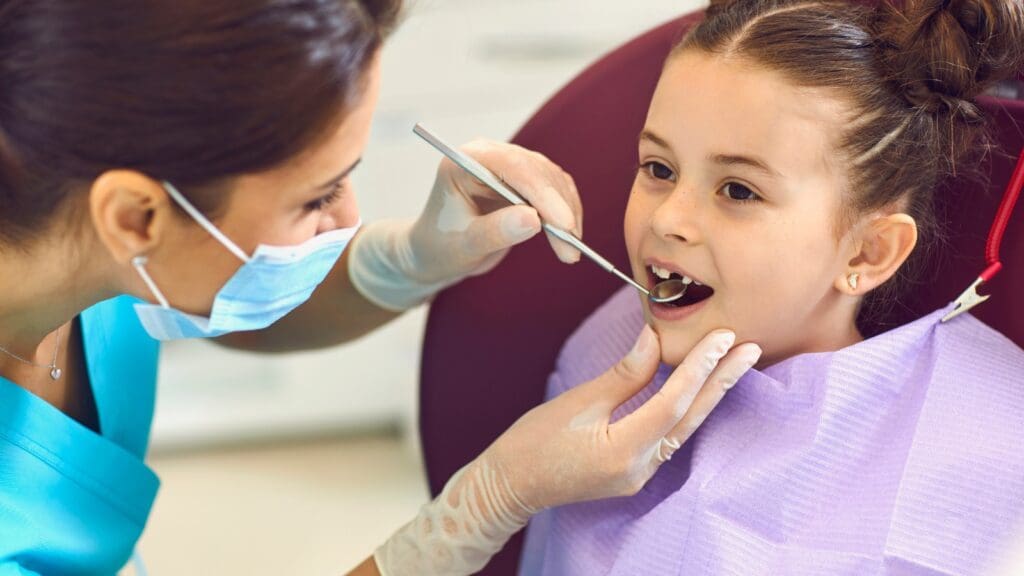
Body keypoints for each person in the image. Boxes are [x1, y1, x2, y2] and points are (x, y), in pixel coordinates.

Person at [0, 1, 764, 574]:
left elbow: (201, 304)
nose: (351, 219)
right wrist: (483, 507)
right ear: (137, 216)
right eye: (316, 197)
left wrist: (408, 260)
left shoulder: (60, 213)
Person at [519, 0, 1024, 574]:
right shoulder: (605, 351)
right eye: (658, 169)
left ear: (868, 250)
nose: (666, 221)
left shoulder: (979, 452)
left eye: (738, 191)